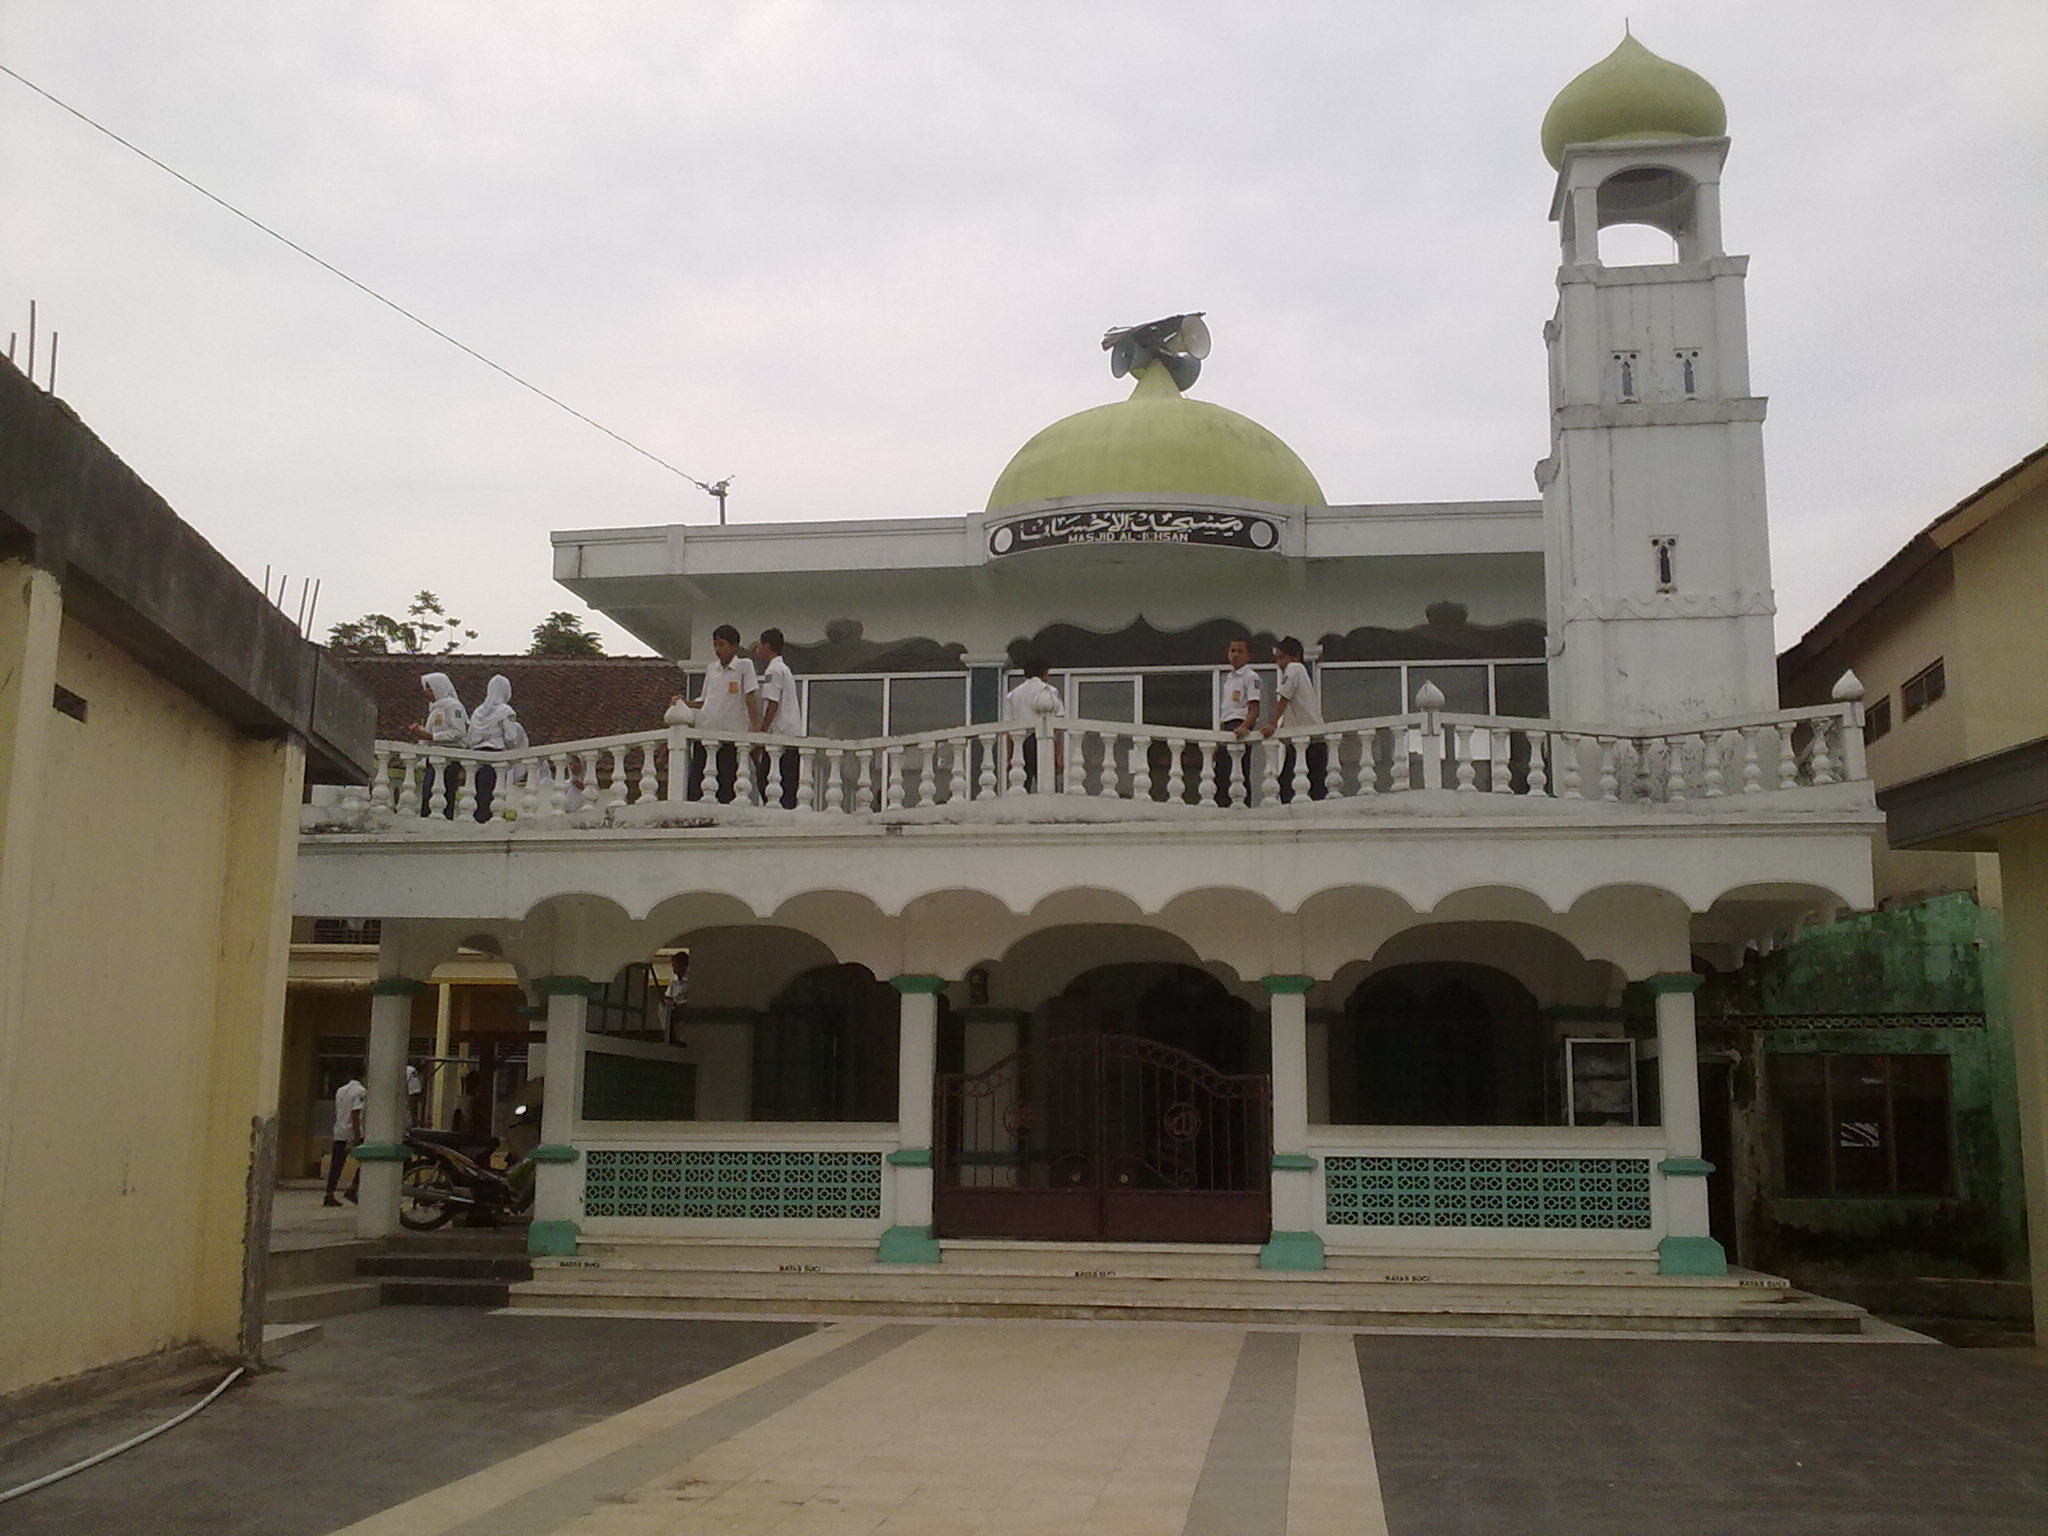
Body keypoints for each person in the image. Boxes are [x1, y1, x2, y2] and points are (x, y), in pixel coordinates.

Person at [674, 625, 759, 802]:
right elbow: (704, 701)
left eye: (722, 645)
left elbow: (750, 697)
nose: (718, 650)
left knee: (726, 784)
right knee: (698, 782)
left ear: (734, 646)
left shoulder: (744, 666)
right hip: (705, 732)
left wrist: (756, 730)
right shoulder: (712, 669)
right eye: (715, 645)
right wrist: (683, 702)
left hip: (729, 736)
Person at [1262, 636, 1328, 802]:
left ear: (1295, 656)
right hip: (1304, 742)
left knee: (1294, 786)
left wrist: (1271, 724)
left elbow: (1283, 697)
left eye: (1282, 657)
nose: (1279, 663)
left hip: (1311, 742)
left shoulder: (1295, 668)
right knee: (1295, 786)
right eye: (1277, 658)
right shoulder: (1300, 674)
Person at [753, 629, 805, 809]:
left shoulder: (774, 670)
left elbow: (773, 703)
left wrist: (762, 731)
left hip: (780, 734)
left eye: (759, 645)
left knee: (766, 779)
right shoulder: (784, 669)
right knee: (787, 784)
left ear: (767, 646)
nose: (757, 649)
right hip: (791, 733)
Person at [411, 672, 470, 817]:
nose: (427, 693)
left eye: (430, 689)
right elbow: (429, 735)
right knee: (428, 794)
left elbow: (458, 732)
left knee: (444, 794)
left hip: (449, 760)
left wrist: (432, 737)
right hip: (433, 759)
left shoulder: (453, 707)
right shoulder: (435, 709)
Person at [1004, 651, 1064, 790]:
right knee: (1047, 787)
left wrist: (1009, 757)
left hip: (1021, 744)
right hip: (1043, 741)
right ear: (1044, 672)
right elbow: (1058, 726)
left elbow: (1009, 729)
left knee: (1021, 787)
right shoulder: (1049, 691)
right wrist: (1058, 755)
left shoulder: (1014, 694)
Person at [1214, 637, 1262, 806]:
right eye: (1232, 650)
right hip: (1227, 726)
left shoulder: (1250, 677)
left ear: (1248, 655)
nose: (1235, 655)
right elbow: (1226, 710)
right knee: (1221, 771)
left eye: (1240, 651)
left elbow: (1254, 709)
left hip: (1239, 725)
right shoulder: (1229, 678)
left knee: (1239, 770)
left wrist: (1244, 727)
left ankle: (1244, 804)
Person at [465, 674, 519, 822]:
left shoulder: (477, 712)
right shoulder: (505, 711)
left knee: (479, 798)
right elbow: (512, 737)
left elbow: (470, 737)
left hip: (477, 760)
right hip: (496, 760)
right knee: (494, 797)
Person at [323, 1068, 366, 1207]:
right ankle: (353, 1189)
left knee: (336, 1165)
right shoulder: (360, 1091)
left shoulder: (340, 1090)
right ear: (363, 1076)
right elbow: (355, 1113)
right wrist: (357, 1137)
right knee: (366, 1162)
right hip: (352, 1132)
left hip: (339, 1131)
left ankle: (329, 1194)